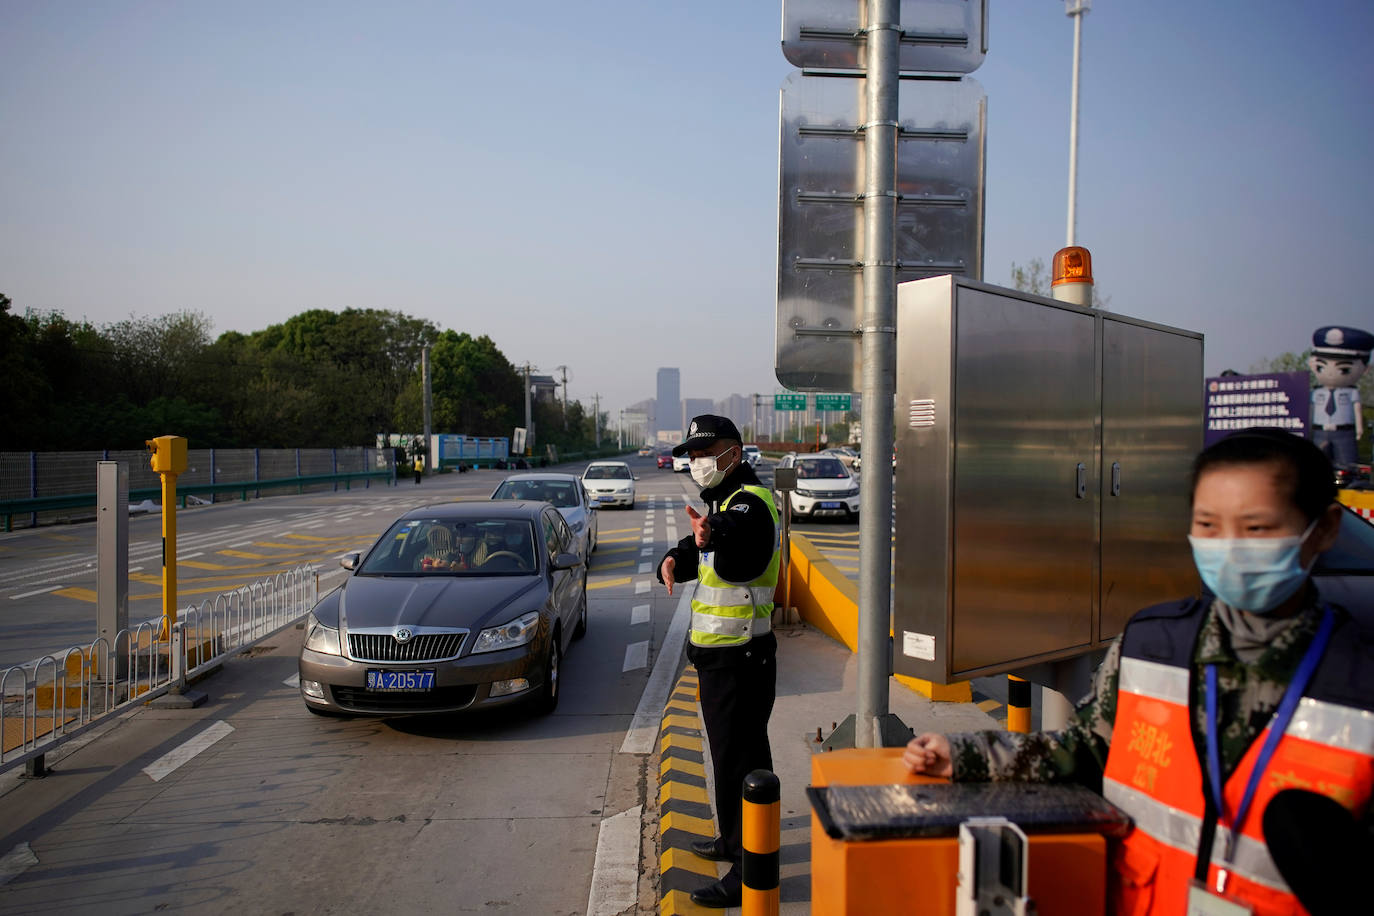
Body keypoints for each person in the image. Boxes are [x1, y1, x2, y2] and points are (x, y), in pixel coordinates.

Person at [903, 428, 1372, 916]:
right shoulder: (1153, 646)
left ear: (1325, 529)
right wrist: (966, 756)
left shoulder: (1360, 682)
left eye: (1256, 529)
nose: (1228, 548)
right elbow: (1087, 748)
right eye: (1208, 525)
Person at [656, 415, 782, 909]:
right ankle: (734, 841)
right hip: (722, 661)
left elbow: (733, 533)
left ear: (732, 452)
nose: (695, 462)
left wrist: (713, 533)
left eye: (703, 454)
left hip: (742, 660)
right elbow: (698, 546)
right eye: (690, 454)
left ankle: (750, 871)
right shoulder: (722, 501)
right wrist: (673, 557)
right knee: (730, 760)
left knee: (742, 763)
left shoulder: (749, 502)